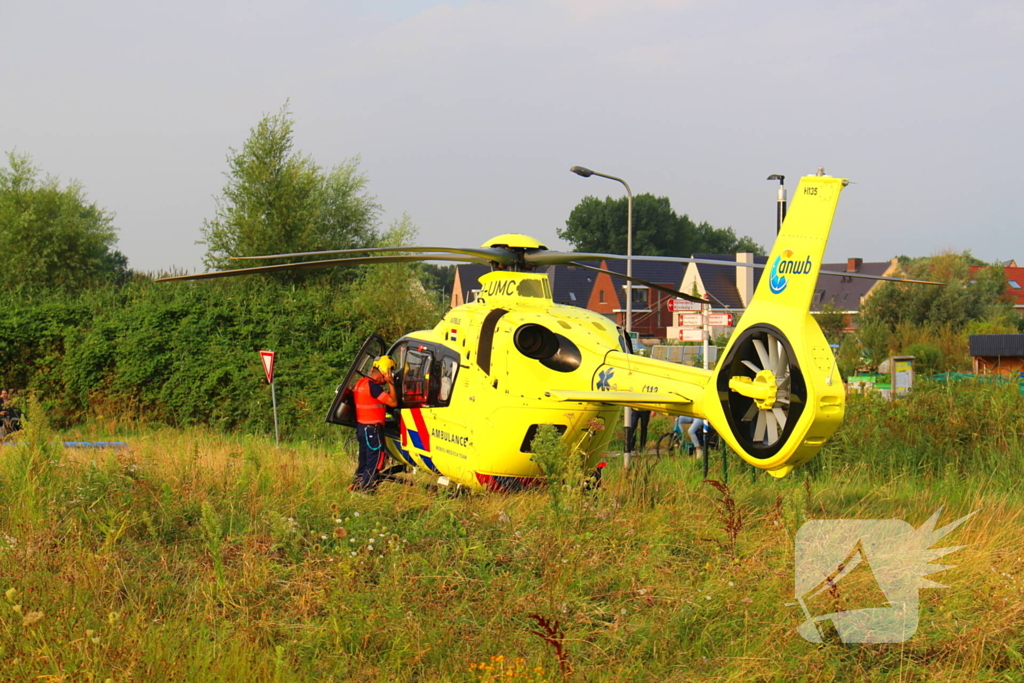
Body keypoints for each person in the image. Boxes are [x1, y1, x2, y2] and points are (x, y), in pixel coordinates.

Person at [351, 356, 398, 491]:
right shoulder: (374, 388)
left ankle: (356, 487)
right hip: (372, 430)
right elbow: (393, 402)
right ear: (385, 373)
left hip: (362, 428)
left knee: (363, 462)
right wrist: (391, 383)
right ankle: (365, 490)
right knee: (373, 462)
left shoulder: (361, 383)